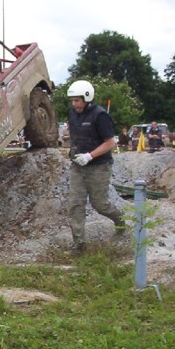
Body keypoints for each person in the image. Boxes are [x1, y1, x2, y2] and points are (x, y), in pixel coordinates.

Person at [66, 80, 126, 254]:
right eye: (72, 100)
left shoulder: (100, 116)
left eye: (77, 100)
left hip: (99, 166)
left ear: (87, 97)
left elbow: (110, 143)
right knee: (75, 204)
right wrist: (74, 151)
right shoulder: (73, 114)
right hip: (78, 166)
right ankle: (79, 244)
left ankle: (121, 223)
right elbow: (75, 136)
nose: (74, 104)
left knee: (100, 204)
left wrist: (90, 155)